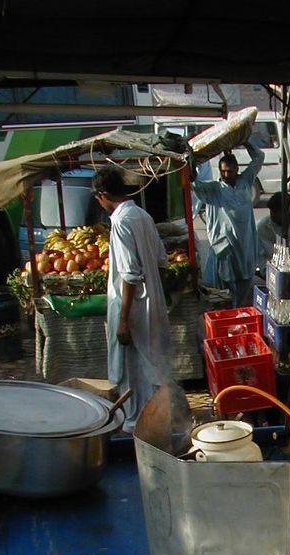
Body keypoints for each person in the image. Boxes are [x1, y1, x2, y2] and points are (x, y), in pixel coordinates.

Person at [92, 166, 172, 434]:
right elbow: (162, 261)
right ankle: (154, 419)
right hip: (151, 304)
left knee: (131, 370)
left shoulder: (122, 221)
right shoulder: (143, 216)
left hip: (134, 307)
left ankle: (137, 425)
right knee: (150, 365)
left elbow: (129, 274)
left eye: (98, 198)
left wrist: (124, 319)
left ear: (103, 195)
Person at [192, 140, 265, 307]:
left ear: (237, 169)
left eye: (230, 171)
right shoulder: (214, 189)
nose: (226, 175)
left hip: (245, 245)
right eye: (223, 171)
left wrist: (246, 141)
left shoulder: (245, 181)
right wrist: (193, 160)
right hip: (224, 248)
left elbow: (259, 157)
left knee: (244, 283)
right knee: (222, 293)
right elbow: (194, 183)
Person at [256, 192, 290, 278]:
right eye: (272, 212)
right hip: (270, 271)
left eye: (277, 212)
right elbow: (266, 254)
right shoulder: (263, 227)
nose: (274, 215)